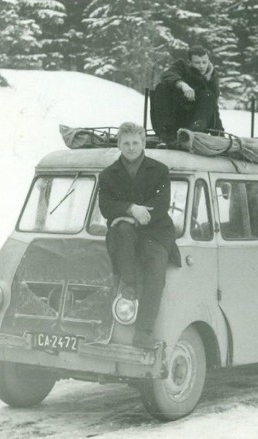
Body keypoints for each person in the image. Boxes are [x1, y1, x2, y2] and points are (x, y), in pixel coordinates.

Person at [98, 122, 178, 348]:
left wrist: (129, 215)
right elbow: (105, 206)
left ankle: (143, 333)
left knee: (155, 268)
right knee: (122, 232)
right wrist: (131, 208)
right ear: (119, 145)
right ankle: (130, 285)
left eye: (135, 142)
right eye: (126, 143)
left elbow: (161, 205)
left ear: (143, 143)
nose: (131, 147)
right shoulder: (108, 174)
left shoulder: (160, 170)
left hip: (155, 231)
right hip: (125, 232)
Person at [151, 45, 224, 143]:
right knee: (163, 86)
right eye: (197, 63)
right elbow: (167, 75)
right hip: (175, 116)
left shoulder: (212, 80)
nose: (202, 66)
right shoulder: (182, 66)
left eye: (204, 62)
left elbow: (213, 108)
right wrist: (182, 85)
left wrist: (220, 135)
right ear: (190, 62)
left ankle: (193, 133)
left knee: (208, 95)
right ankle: (166, 133)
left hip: (197, 121)